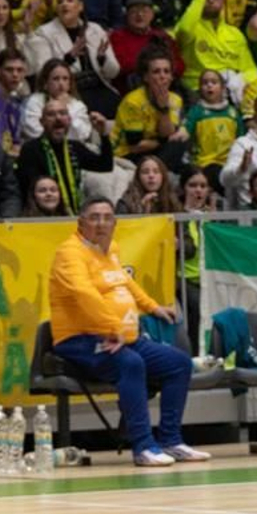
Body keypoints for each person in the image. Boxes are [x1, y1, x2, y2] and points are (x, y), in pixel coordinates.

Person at [49, 198, 208, 467]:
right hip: (80, 339)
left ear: (115, 223)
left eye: (107, 217)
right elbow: (83, 294)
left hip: (122, 337)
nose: (101, 224)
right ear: (81, 222)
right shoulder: (70, 253)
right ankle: (144, 447)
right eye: (94, 217)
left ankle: (170, 440)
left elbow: (125, 282)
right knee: (130, 363)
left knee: (178, 363)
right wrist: (113, 328)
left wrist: (152, 306)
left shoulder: (110, 250)